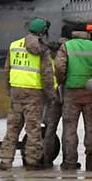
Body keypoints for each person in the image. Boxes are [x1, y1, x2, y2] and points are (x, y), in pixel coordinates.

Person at [0, 17, 55, 170]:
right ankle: (32, 160)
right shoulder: (42, 51)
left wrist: (8, 90)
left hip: (16, 91)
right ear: (43, 32)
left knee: (12, 127)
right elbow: (47, 75)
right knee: (33, 129)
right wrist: (51, 95)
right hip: (33, 93)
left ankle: (5, 160)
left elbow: (7, 70)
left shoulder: (14, 45)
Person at [58, 23, 92, 170]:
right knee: (90, 127)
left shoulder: (66, 46)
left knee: (70, 128)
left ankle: (70, 162)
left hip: (71, 92)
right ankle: (89, 162)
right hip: (90, 92)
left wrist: (62, 81)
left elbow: (60, 67)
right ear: (86, 33)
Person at [40, 32, 66, 165]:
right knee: (68, 129)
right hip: (65, 95)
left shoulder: (49, 59)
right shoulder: (68, 55)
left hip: (53, 97)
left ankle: (46, 158)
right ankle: (68, 161)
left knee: (50, 128)